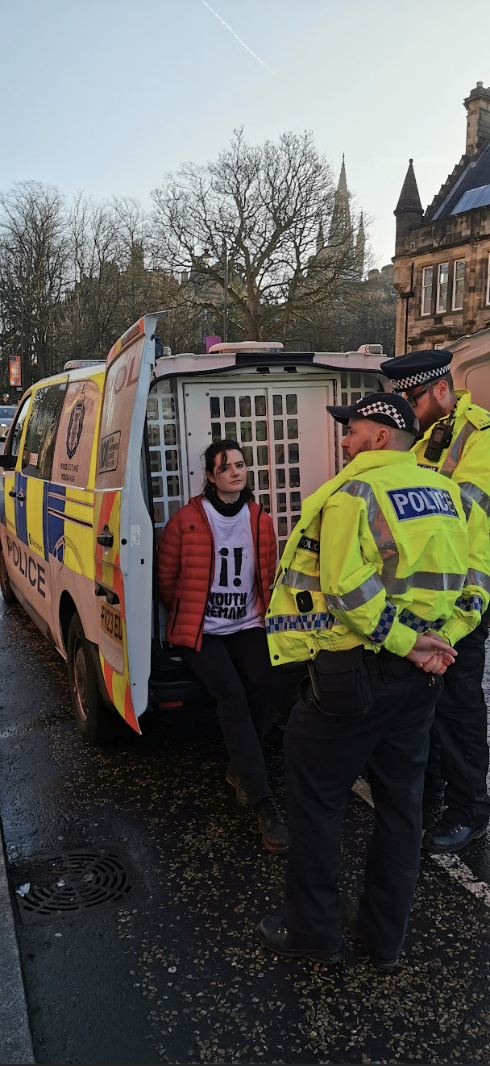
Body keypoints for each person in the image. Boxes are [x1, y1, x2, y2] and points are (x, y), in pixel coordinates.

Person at [257, 392, 490, 970]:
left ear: (381, 437)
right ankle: (385, 939)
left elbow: (346, 589)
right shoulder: (450, 493)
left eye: (352, 430)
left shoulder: (354, 492)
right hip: (418, 684)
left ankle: (314, 932)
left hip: (351, 679)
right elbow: (476, 579)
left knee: (315, 803)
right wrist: (440, 643)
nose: (344, 440)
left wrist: (412, 644)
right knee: (402, 809)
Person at [381, 350, 490, 854]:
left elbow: (460, 515)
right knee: (431, 697)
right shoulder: (428, 437)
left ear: (441, 390)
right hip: (428, 593)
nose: (409, 406)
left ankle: (472, 810)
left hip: (468, 592)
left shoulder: (482, 436)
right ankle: (440, 790)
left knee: (460, 700)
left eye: (414, 396)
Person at [157, 439, 288, 853]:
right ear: (211, 477)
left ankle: (238, 766)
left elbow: (268, 574)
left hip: (248, 625)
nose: (235, 471)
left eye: (240, 464)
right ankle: (263, 803)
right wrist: (191, 615)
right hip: (204, 632)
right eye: (225, 466)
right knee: (231, 694)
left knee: (270, 681)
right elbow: (166, 580)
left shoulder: (259, 519)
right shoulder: (187, 520)